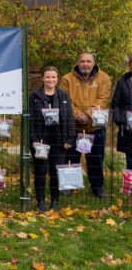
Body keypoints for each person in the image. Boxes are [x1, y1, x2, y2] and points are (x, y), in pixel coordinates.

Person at [60, 52, 111, 198]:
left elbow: (103, 99)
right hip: (73, 127)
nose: (85, 64)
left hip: (95, 127)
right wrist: (78, 115)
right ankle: (68, 186)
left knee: (96, 160)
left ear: (94, 63)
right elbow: (65, 101)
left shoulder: (104, 78)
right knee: (71, 158)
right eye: (82, 61)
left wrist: (88, 114)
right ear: (78, 62)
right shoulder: (66, 79)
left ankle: (97, 188)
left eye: (88, 61)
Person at [29, 66, 75, 212]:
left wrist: (69, 138)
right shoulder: (34, 96)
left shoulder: (63, 96)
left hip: (59, 140)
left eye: (53, 77)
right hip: (41, 141)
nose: (51, 80)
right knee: (41, 171)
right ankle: (40, 201)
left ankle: (55, 201)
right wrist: (34, 140)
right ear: (42, 78)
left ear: (57, 78)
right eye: (48, 77)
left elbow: (69, 118)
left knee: (56, 171)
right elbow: (29, 120)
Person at [111, 56, 132, 169]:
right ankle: (130, 185)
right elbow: (115, 104)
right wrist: (120, 121)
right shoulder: (123, 81)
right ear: (130, 64)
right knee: (130, 160)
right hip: (128, 129)